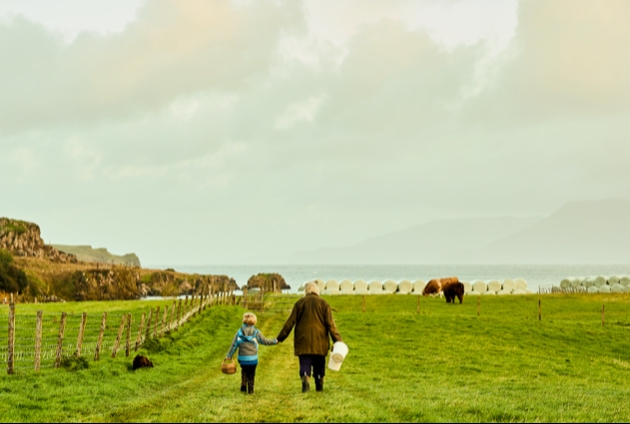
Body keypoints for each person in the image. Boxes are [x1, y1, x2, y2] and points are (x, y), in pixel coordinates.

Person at [276, 281, 343, 393]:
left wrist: (280, 338)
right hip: (320, 341)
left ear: (306, 291)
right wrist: (338, 342)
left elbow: (290, 322)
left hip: (303, 341)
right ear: (317, 291)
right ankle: (319, 384)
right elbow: (331, 325)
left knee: (305, 362)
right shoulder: (324, 304)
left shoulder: (299, 303)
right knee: (319, 364)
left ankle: (305, 381)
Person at [226, 312, 278, 394]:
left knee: (244, 370)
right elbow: (264, 341)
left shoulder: (239, 332)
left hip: (242, 358)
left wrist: (229, 355)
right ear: (254, 321)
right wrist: (274, 341)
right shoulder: (256, 332)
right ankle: (251, 390)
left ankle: (243, 385)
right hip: (253, 359)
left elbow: (234, 345)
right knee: (251, 373)